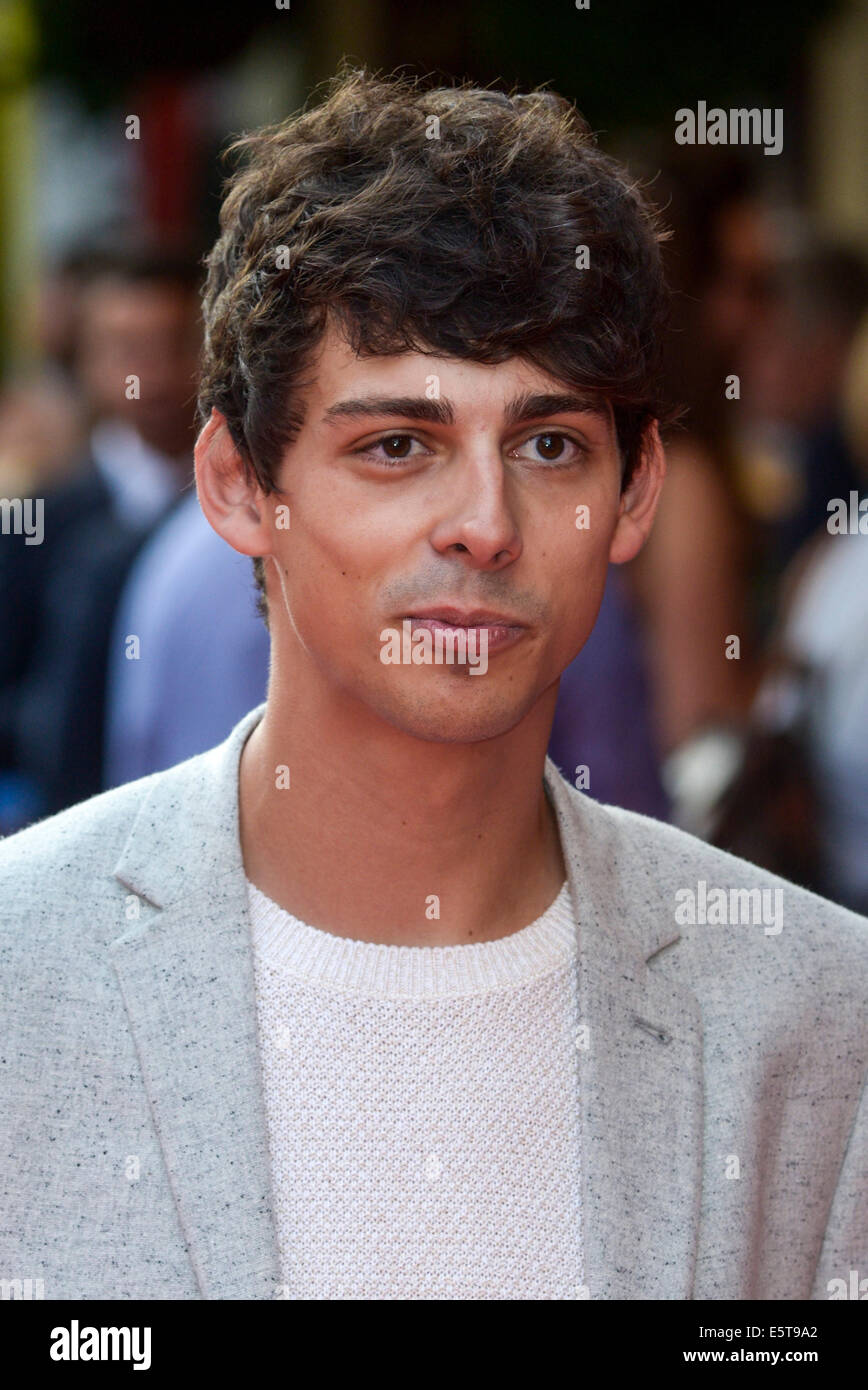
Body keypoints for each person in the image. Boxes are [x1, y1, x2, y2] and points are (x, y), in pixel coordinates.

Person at [0, 67, 865, 1302]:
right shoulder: (23, 970)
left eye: (548, 444)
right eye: (396, 445)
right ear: (241, 485)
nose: (482, 523)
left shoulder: (814, 1014)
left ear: (636, 493)